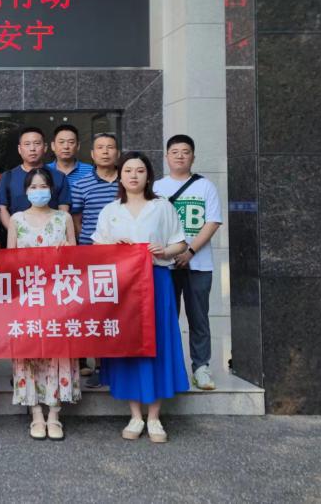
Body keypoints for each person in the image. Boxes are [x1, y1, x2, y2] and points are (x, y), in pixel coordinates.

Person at [93, 151, 189, 444]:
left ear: (148, 176)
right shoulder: (110, 210)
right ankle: (135, 414)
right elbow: (97, 248)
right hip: (122, 286)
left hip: (156, 281)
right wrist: (114, 246)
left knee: (156, 342)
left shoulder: (162, 207)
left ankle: (155, 416)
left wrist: (165, 250)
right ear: (120, 176)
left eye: (140, 170)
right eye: (128, 171)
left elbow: (180, 243)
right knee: (129, 344)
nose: (133, 176)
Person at [7, 167, 80, 441]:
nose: (39, 191)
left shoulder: (63, 218)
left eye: (43, 186)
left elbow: (76, 257)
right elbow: (9, 260)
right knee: (29, 352)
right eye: (33, 186)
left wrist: (66, 253)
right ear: (26, 191)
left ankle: (54, 414)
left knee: (58, 352)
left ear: (52, 189)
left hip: (58, 297)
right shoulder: (16, 219)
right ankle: (36, 413)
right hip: (27, 297)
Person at [153, 135, 223, 391]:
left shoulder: (205, 186)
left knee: (198, 317)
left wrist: (190, 251)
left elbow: (212, 222)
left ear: (193, 157)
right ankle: (168, 367)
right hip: (164, 264)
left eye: (185, 152)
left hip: (199, 263)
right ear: (166, 157)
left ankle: (201, 367)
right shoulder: (157, 187)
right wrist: (169, 253)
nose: (180, 156)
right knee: (166, 317)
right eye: (175, 152)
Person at [70, 132, 122, 386]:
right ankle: (88, 362)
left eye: (110, 147)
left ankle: (109, 366)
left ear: (118, 153)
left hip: (122, 260)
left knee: (114, 311)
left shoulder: (127, 181)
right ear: (91, 154)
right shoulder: (81, 184)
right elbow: (77, 220)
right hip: (90, 257)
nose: (105, 151)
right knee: (91, 310)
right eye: (100, 147)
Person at [0, 126, 72, 229]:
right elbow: (2, 209)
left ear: (45, 147)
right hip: (18, 235)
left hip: (52, 234)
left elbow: (63, 210)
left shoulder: (59, 176)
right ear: (19, 149)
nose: (32, 148)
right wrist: (16, 232)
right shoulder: (8, 177)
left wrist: (52, 232)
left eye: (37, 143)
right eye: (27, 144)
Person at [47, 123, 94, 195]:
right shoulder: (44, 171)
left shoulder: (91, 171)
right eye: (61, 142)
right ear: (53, 146)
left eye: (71, 142)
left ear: (78, 146)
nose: (66, 146)